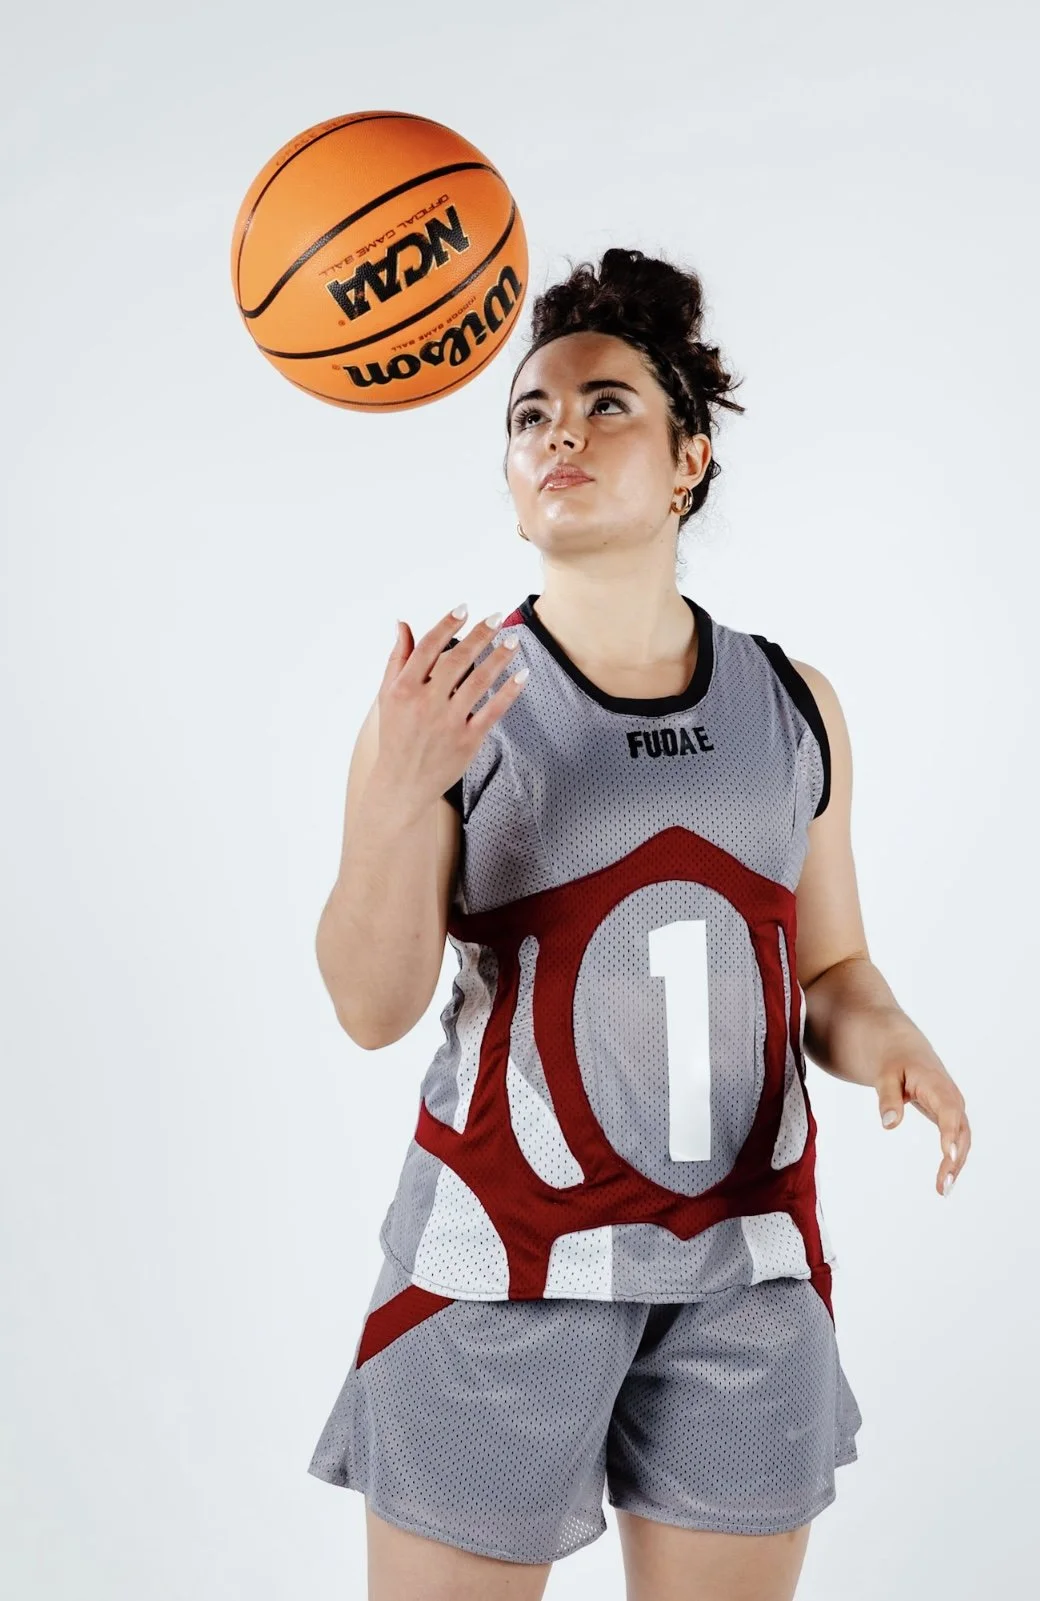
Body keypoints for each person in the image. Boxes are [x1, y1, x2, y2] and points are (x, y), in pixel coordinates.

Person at [306, 248, 972, 1601]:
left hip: (745, 1265)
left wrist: (890, 1034)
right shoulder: (447, 704)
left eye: (607, 405)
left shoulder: (793, 702)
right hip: (500, 1260)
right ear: (508, 477)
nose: (562, 434)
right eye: (531, 417)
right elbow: (371, 1008)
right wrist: (396, 789)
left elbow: (832, 964)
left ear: (689, 458)